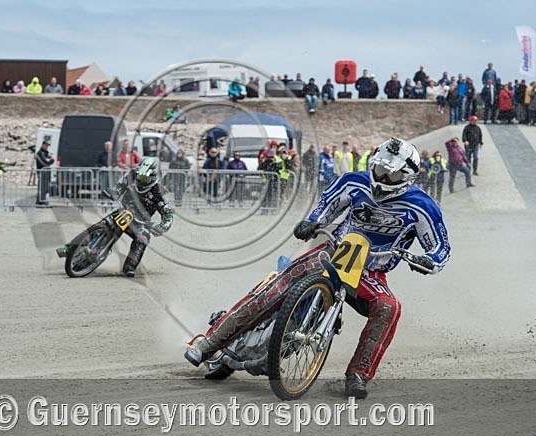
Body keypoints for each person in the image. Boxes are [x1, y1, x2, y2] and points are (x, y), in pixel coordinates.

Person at [185, 138, 450, 399]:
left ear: (408, 176)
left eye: (391, 175)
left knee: (389, 307)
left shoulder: (422, 206)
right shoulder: (353, 181)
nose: (383, 178)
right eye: (380, 170)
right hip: (333, 252)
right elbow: (327, 205)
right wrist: (313, 222)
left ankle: (358, 374)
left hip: (370, 272)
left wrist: (430, 261)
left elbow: (440, 247)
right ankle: (210, 343)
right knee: (277, 286)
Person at [58, 157, 173, 277]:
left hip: (140, 222)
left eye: (145, 178)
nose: (141, 180)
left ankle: (130, 266)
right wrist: (113, 192)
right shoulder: (132, 175)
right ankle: (69, 247)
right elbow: (119, 186)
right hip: (124, 211)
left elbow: (168, 214)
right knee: (102, 224)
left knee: (143, 238)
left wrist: (162, 226)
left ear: (154, 178)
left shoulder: (159, 192)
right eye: (140, 177)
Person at [35, 139, 55, 206]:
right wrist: (49, 161)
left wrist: (49, 160)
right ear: (42, 145)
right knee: (41, 187)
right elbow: (44, 163)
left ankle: (42, 200)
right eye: (46, 145)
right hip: (41, 173)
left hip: (46, 173)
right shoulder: (39, 153)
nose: (47, 147)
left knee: (45, 187)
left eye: (47, 145)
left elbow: (52, 160)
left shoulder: (46, 153)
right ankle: (40, 201)